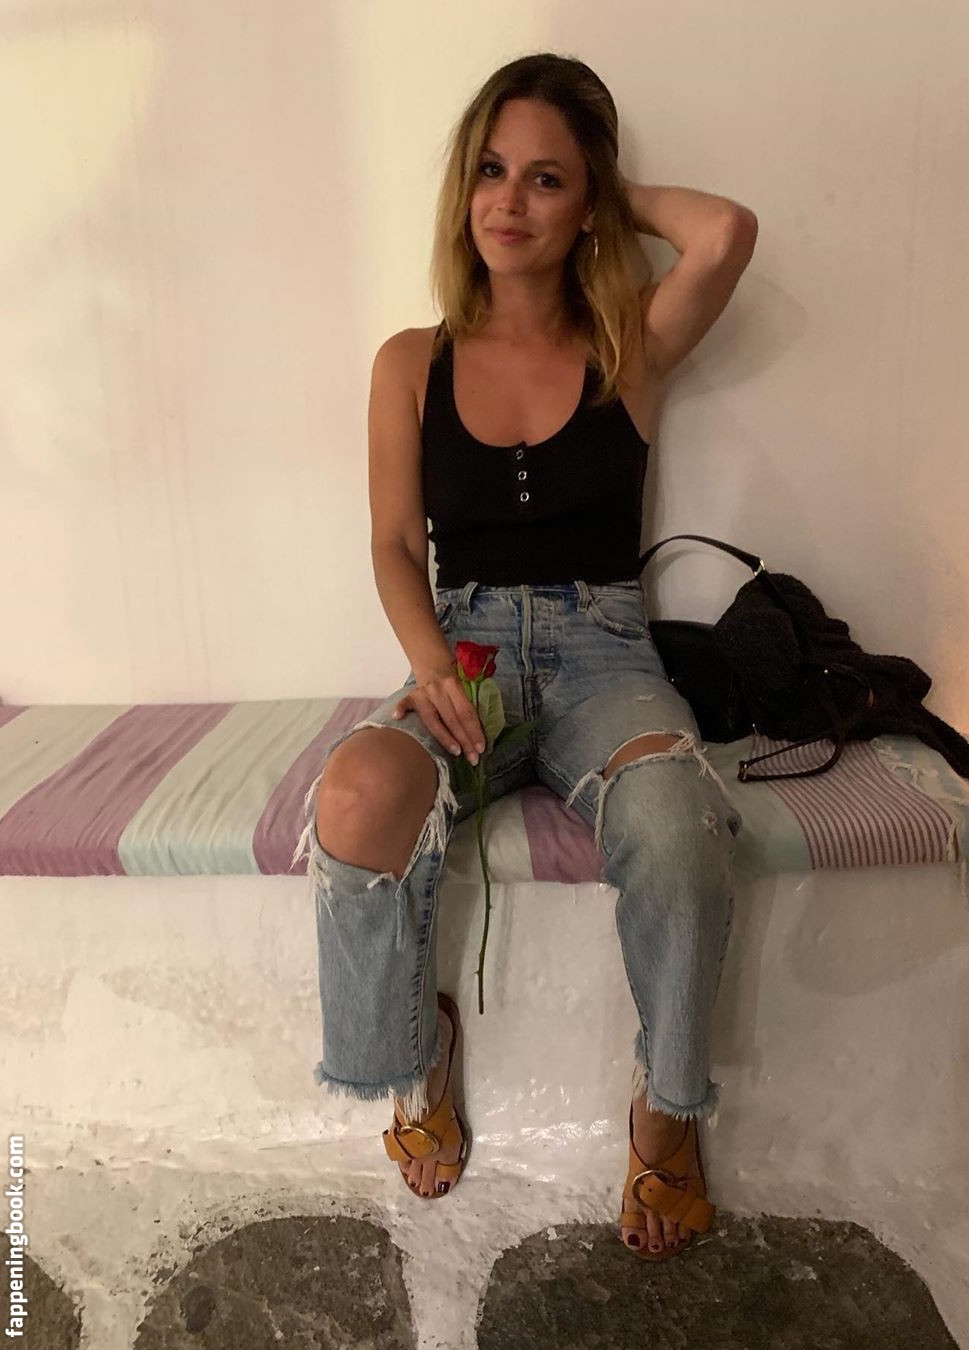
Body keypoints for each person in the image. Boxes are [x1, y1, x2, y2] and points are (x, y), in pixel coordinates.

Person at [293, 52, 758, 1260]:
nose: (509, 200)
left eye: (546, 179)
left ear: (587, 199)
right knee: (358, 791)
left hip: (607, 653)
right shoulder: (411, 361)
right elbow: (393, 543)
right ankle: (418, 1054)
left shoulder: (628, 346)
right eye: (490, 171)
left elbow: (724, 234)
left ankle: (667, 1107)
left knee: (679, 828)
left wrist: (610, 189)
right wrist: (430, 665)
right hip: (465, 650)